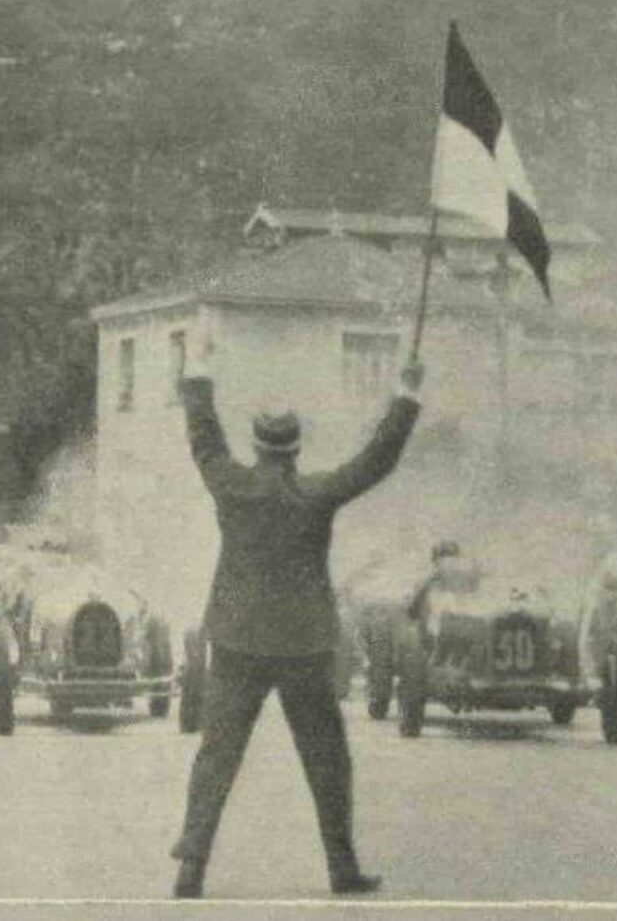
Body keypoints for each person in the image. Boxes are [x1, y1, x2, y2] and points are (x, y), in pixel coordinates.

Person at [170, 358, 423, 900]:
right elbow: (375, 462)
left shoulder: (232, 486)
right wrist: (404, 398)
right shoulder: (316, 493)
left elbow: (205, 442)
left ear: (258, 446)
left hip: (237, 637)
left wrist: (198, 377)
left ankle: (190, 866)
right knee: (327, 757)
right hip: (303, 643)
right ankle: (341, 868)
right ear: (295, 448)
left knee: (217, 754)